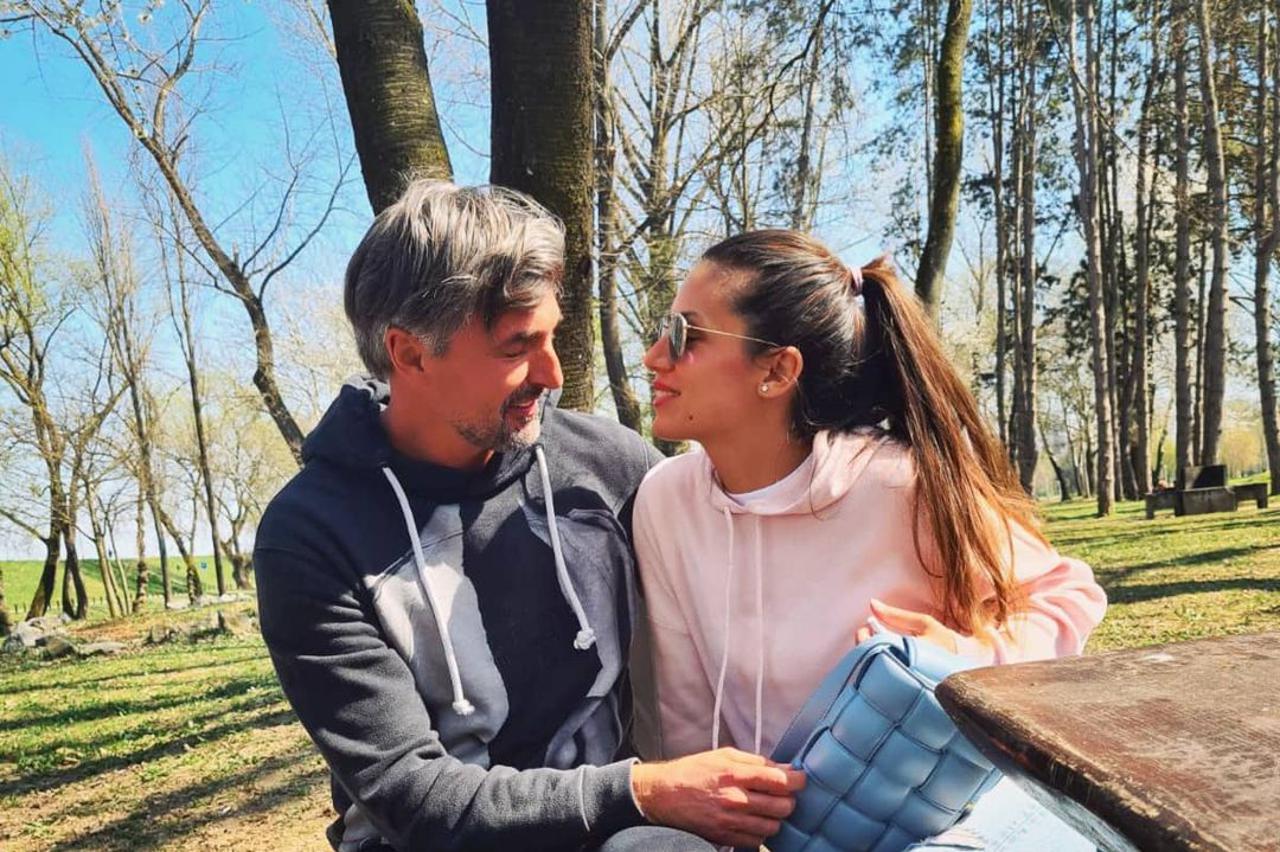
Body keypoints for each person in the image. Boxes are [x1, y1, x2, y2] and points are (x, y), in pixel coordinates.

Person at [254, 182, 803, 852]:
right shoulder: (309, 535)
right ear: (410, 353)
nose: (552, 374)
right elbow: (413, 798)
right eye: (517, 348)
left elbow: (752, 575)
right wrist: (642, 790)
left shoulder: (609, 468)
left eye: (552, 338)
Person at [632, 231, 1108, 847]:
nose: (653, 357)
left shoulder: (903, 482)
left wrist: (974, 656)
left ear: (777, 370)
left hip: (946, 824)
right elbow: (686, 717)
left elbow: (1067, 593)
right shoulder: (665, 500)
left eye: (685, 336)